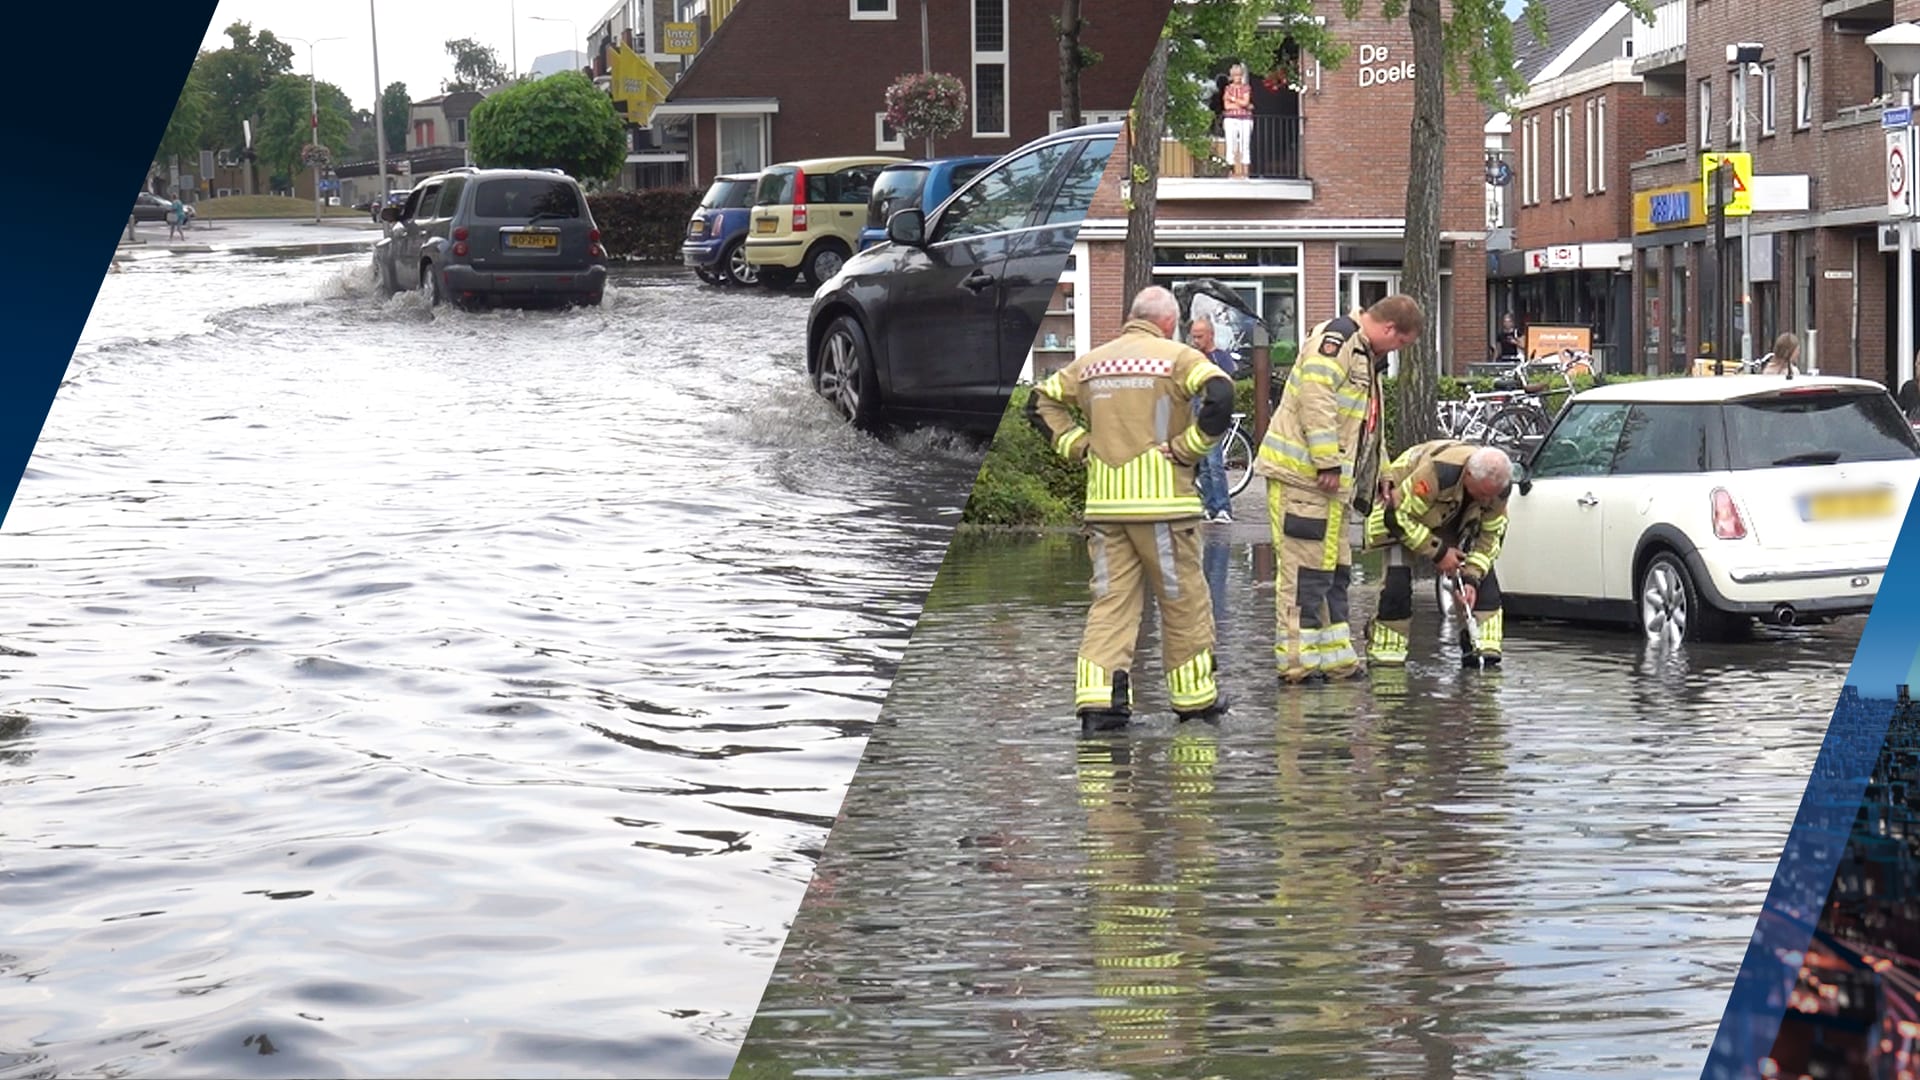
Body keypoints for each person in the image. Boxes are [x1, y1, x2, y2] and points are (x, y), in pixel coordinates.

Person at [1027, 285, 1237, 733]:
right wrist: (1188, 448)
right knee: (1183, 604)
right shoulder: (1177, 356)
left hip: (1105, 508)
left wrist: (1078, 445)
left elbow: (1038, 402)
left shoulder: (1092, 362)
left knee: (1111, 605)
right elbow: (1221, 395)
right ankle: (1195, 703)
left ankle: (1099, 707)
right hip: (1165, 507)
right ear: (1168, 322)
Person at [1253, 294, 1422, 684]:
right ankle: (1297, 665)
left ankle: (1333, 659)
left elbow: (1366, 426)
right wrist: (1326, 460)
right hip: (1304, 480)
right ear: (1389, 329)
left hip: (1330, 489)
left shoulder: (1364, 355)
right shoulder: (1338, 340)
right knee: (1304, 575)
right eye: (1401, 343)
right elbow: (1317, 399)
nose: (1399, 351)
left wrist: (1381, 473)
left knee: (1333, 572)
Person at [1362, 440, 1513, 669]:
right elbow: (1396, 518)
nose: (1485, 501)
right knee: (1396, 586)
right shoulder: (1438, 473)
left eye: (1490, 497)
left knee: (1485, 584)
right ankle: (1386, 658)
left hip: (1452, 518)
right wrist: (1439, 552)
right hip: (1401, 516)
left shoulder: (1497, 490)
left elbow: (1490, 537)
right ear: (1469, 476)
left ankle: (1482, 651)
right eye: (1481, 494)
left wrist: (1471, 578)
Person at [1188, 316, 1236, 524]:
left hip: (1213, 413)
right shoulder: (1191, 357)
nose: (1195, 340)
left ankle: (1223, 508)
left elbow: (1226, 386)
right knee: (1203, 465)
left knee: (1215, 462)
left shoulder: (1220, 358)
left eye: (1199, 336)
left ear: (1210, 335)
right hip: (1195, 412)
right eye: (1193, 336)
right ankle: (1210, 506)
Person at [1221, 64, 1253, 180]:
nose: (1238, 78)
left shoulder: (1246, 87)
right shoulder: (1228, 88)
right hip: (1230, 119)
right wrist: (1243, 105)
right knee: (1231, 145)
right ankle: (1232, 172)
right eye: (1235, 75)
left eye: (1240, 75)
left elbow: (1246, 102)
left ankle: (1245, 173)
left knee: (1245, 145)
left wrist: (1233, 99)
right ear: (1231, 76)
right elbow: (1226, 106)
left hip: (1245, 119)